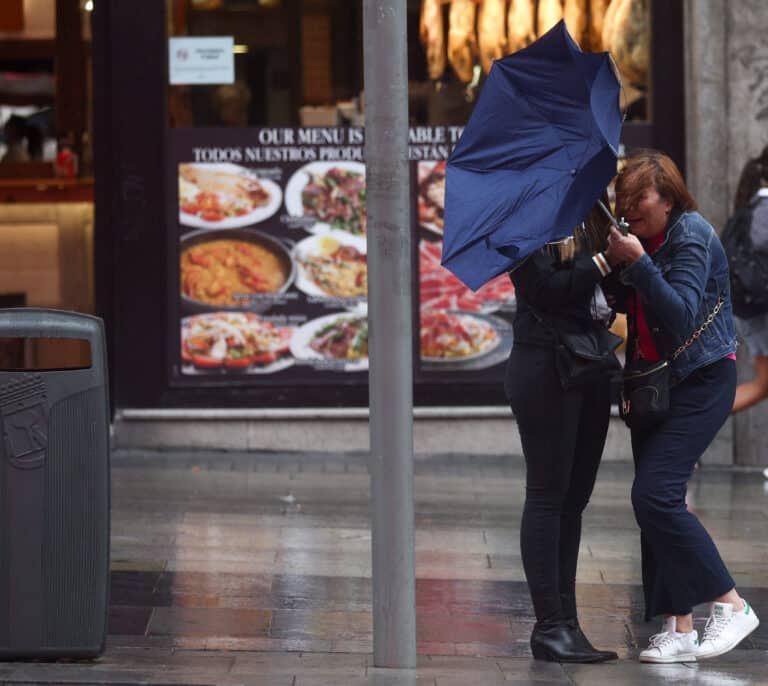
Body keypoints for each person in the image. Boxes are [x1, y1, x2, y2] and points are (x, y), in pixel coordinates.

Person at [606, 149, 760, 663]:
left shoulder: (690, 233)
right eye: (623, 200)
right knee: (653, 503)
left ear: (669, 197)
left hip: (702, 379)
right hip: (653, 382)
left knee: (655, 495)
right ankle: (680, 627)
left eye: (640, 198)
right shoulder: (639, 239)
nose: (631, 208)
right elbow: (623, 307)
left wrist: (639, 263)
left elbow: (681, 314)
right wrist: (613, 261)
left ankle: (731, 604)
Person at [505, 200, 619, 663]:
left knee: (574, 498)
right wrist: (605, 261)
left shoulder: (591, 206)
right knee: (549, 495)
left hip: (590, 361)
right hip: (545, 363)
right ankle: (549, 626)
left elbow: (599, 287)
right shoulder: (522, 212)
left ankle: (568, 624)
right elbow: (544, 289)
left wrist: (619, 260)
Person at [730, 146, 768, 413]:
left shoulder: (757, 204)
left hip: (755, 307)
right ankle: (684, 427)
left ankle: (685, 428)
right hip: (762, 309)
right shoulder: (765, 207)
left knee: (764, 384)